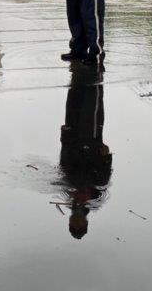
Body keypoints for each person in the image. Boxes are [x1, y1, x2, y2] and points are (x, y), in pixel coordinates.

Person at [59, 64, 112, 239]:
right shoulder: (98, 189)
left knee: (73, 97)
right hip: (92, 135)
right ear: (85, 222)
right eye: (79, 222)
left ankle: (77, 66)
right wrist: (105, 154)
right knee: (92, 94)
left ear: (70, 221)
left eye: (73, 222)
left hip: (72, 135)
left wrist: (64, 136)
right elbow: (105, 159)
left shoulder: (68, 191)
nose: (76, 219)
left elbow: (63, 162)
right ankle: (95, 65)